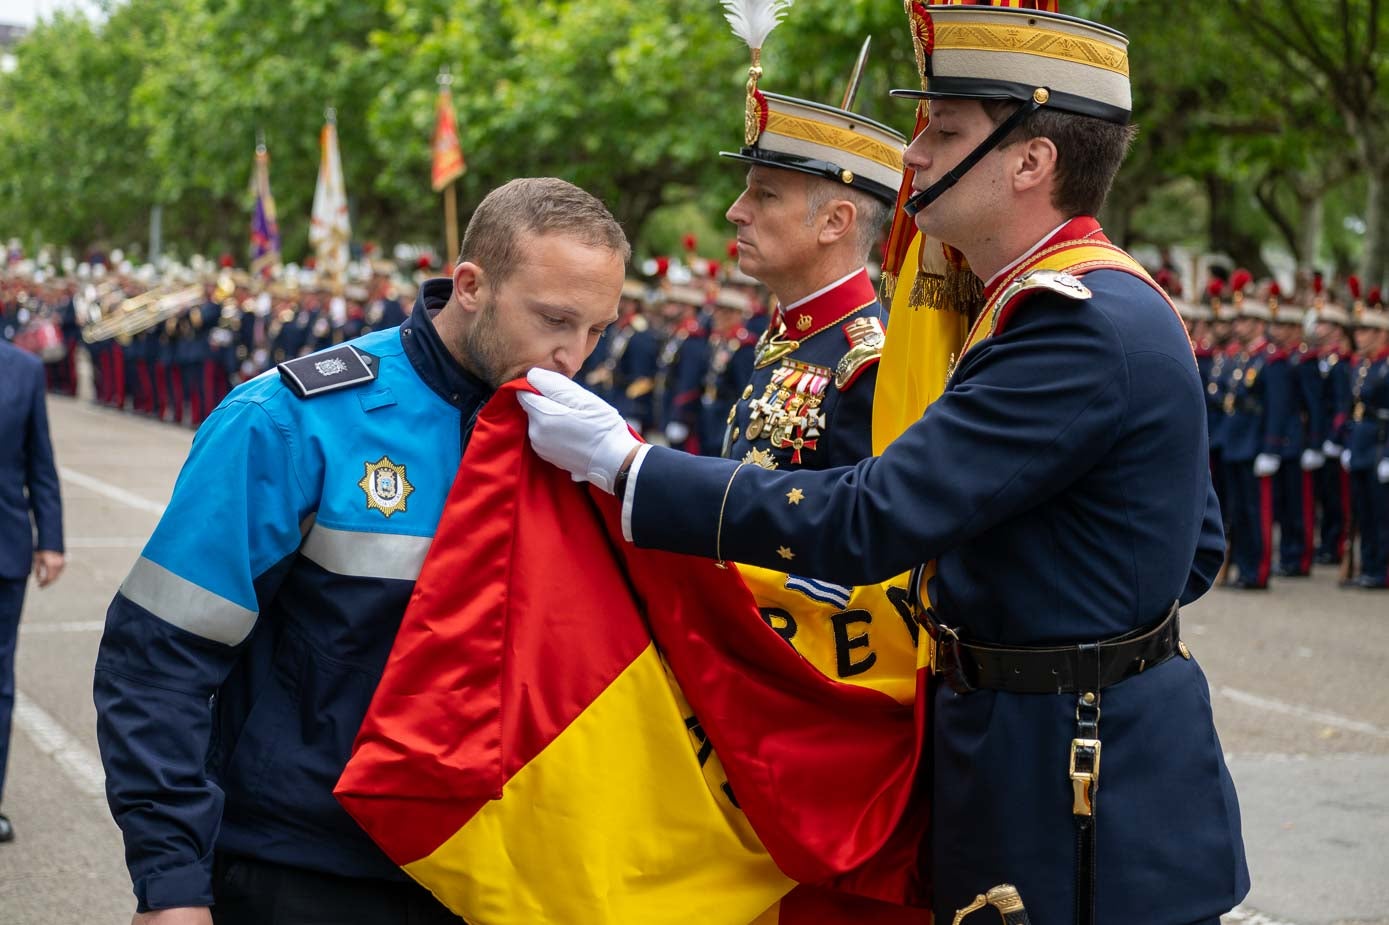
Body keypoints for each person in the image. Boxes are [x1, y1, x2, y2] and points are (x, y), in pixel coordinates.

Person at [517, 5, 1248, 923]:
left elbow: (868, 518)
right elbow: (1191, 549)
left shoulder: (1072, 321)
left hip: (1071, 778)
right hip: (1041, 742)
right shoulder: (1062, 302)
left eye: (943, 133)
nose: (909, 159)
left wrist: (631, 470)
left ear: (1031, 161)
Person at [93, 177, 628, 924]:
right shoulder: (289, 422)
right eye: (554, 320)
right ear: (470, 285)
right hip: (306, 867)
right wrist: (171, 878)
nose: (575, 356)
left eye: (598, 329)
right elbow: (159, 654)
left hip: (496, 875)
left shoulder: (576, 439)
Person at [717, 85, 905, 470]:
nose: (735, 211)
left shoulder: (871, 365)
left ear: (834, 222)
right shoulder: (790, 332)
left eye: (765, 195)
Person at [0, 337, 66, 844]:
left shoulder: (23, 369)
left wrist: (52, 539)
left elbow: (39, 459)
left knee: (0, 682)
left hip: (5, 551)